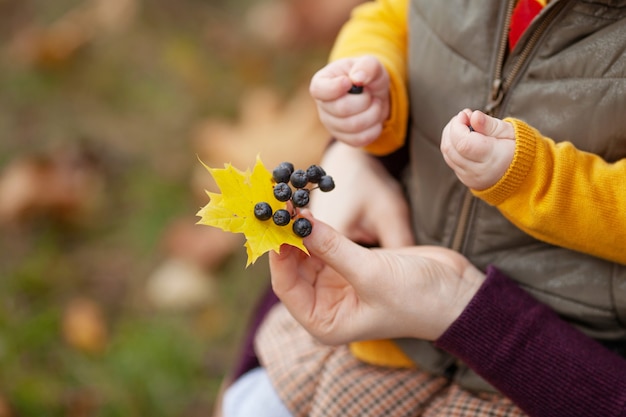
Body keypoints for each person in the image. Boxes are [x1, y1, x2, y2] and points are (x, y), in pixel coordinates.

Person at [222, 0, 626, 416]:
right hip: (379, 317)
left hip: (536, 376)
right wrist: (366, 80)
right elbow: (395, 15)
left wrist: (537, 178)